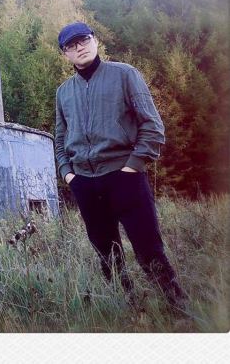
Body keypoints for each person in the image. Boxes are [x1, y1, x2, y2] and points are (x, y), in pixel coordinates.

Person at [55, 21, 186, 307]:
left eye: (83, 40)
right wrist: (68, 175)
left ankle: (178, 308)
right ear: (65, 54)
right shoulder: (63, 92)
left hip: (124, 177)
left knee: (149, 250)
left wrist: (132, 167)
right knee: (107, 255)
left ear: (95, 40)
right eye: (71, 45)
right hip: (85, 183)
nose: (79, 47)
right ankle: (128, 308)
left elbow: (152, 126)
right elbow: (60, 138)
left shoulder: (125, 74)